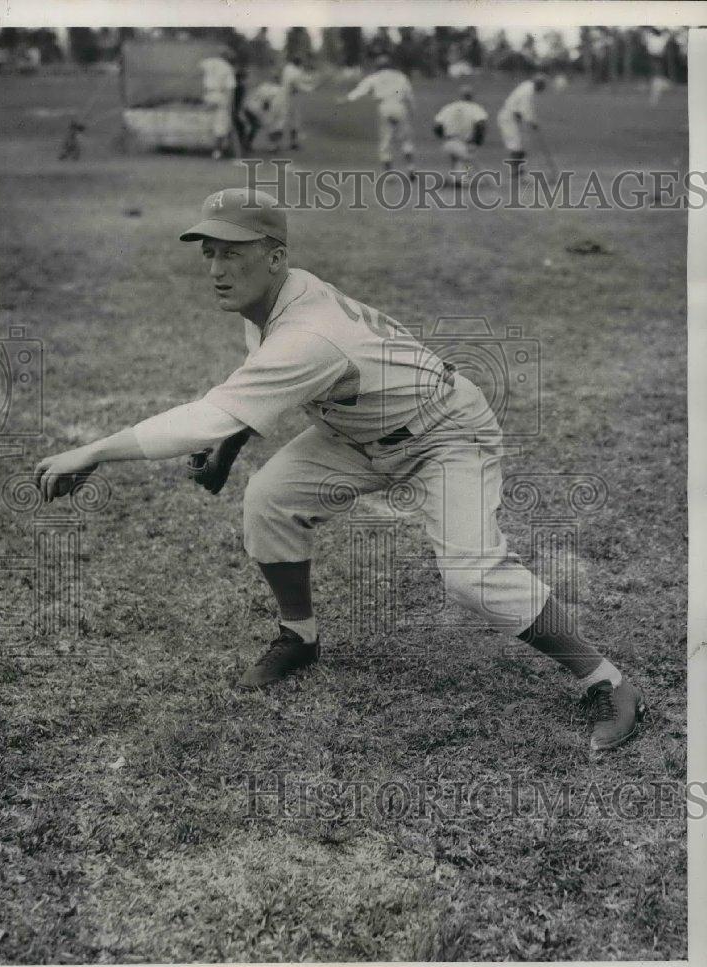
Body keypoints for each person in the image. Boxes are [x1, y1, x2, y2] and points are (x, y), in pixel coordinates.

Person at [34, 188, 645, 753]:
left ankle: (608, 680)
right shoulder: (269, 303)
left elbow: (212, 411)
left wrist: (92, 451)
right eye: (209, 253)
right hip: (355, 435)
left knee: (471, 576)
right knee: (269, 498)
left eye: (234, 254)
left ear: (276, 257)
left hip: (443, 434)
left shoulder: (310, 331)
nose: (218, 269)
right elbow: (255, 392)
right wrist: (228, 451)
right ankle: (299, 636)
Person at [339, 54, 416, 177]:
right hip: (400, 106)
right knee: (405, 139)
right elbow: (410, 95)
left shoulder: (374, 77)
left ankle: (388, 173)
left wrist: (346, 99)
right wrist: (412, 110)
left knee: (385, 140)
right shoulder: (400, 76)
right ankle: (410, 167)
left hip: (384, 106)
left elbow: (360, 91)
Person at [433, 88, 488, 187]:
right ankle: (460, 180)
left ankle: (455, 179)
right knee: (467, 159)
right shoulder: (475, 107)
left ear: (460, 96)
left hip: (448, 142)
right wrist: (476, 142)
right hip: (463, 143)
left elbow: (437, 126)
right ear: (471, 96)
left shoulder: (449, 107)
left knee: (459, 160)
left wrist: (444, 137)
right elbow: (481, 125)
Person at [497, 73, 547, 178]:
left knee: (521, 146)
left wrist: (531, 121)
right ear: (539, 84)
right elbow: (525, 109)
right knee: (516, 146)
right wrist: (532, 122)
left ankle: (518, 171)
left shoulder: (527, 87)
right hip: (508, 119)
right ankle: (515, 172)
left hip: (514, 119)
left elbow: (524, 110)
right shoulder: (528, 91)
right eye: (542, 87)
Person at [199, 48, 236, 159]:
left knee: (209, 122)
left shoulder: (208, 62)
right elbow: (230, 88)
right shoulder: (228, 68)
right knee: (221, 124)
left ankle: (211, 148)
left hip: (208, 94)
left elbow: (198, 67)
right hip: (220, 95)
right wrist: (231, 105)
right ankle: (217, 151)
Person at [280, 55, 316, 151]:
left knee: (290, 120)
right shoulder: (293, 72)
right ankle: (291, 143)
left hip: (287, 96)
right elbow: (298, 85)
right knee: (292, 120)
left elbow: (302, 78)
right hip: (290, 97)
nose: (303, 65)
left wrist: (311, 81)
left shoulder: (288, 67)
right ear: (298, 63)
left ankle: (291, 143)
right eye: (301, 63)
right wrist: (310, 88)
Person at [246, 73, 287, 154]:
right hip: (262, 110)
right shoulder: (266, 87)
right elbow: (264, 101)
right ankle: (271, 146)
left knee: (275, 127)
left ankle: (273, 146)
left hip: (270, 110)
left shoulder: (279, 88)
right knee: (271, 127)